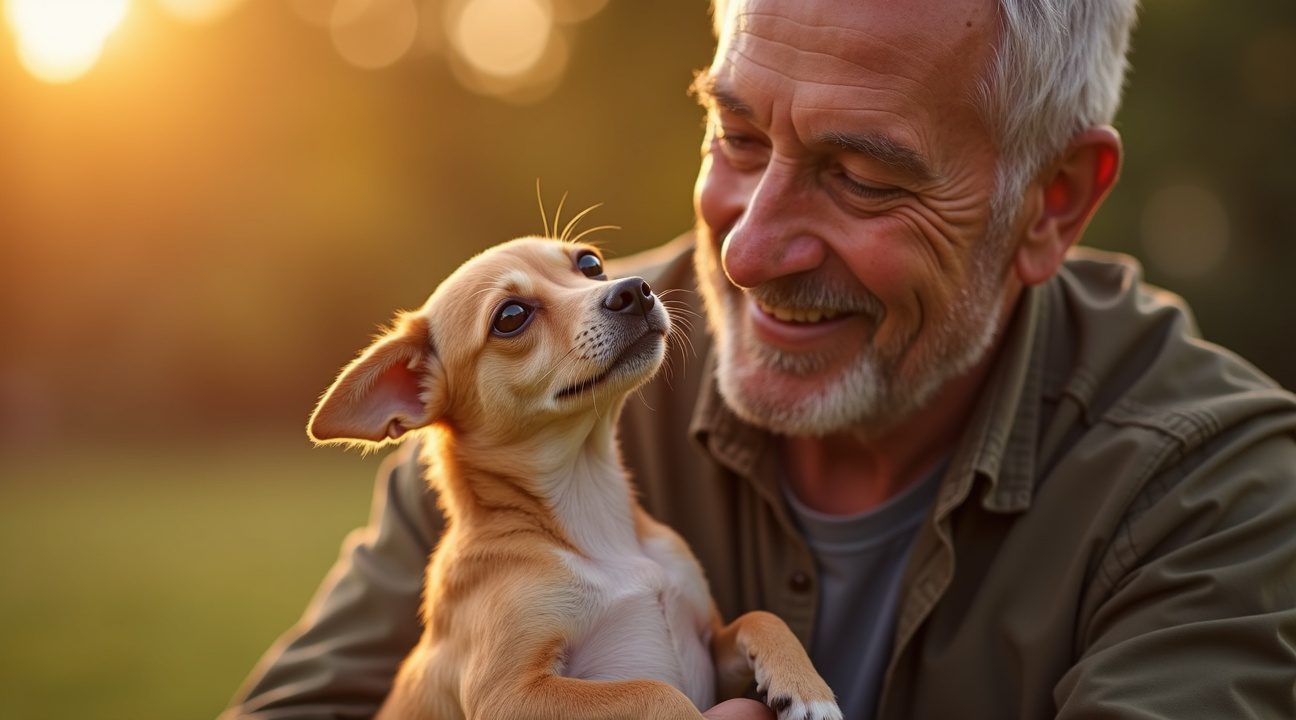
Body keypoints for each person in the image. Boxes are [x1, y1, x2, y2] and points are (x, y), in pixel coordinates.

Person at [223, 0, 1296, 718]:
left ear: (1048, 202)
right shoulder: (512, 433)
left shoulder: (1214, 497)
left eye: (863, 176)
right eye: (736, 136)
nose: (742, 255)